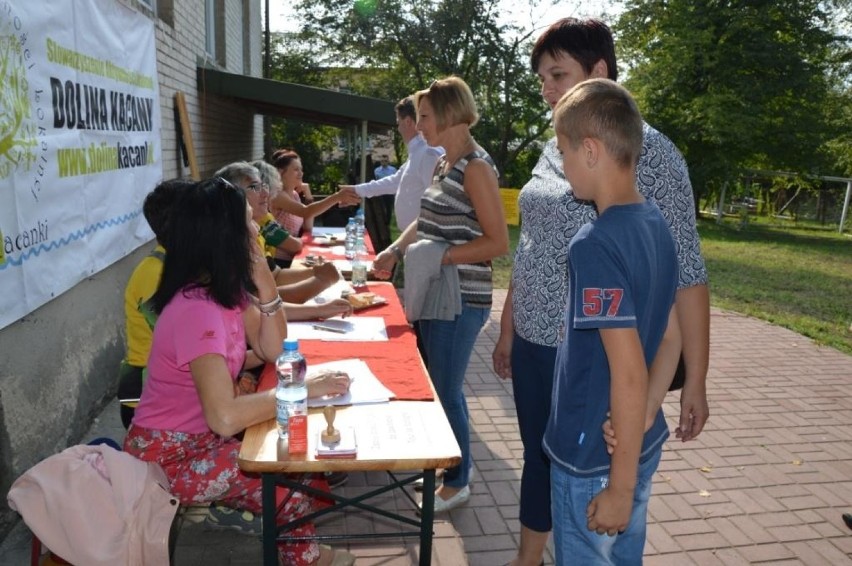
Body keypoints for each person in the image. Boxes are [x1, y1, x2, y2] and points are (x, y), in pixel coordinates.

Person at [491, 18, 711, 566]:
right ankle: (529, 556)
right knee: (544, 463)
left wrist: (690, 385)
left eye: (557, 74)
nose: (545, 87)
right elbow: (535, 241)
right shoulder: (557, 145)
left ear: (600, 73)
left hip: (601, 372)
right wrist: (510, 323)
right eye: (541, 76)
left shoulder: (646, 159)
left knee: (579, 493)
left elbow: (686, 277)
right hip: (547, 345)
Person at [123, 177, 354, 566]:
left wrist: (264, 279)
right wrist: (306, 390)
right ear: (225, 233)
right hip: (170, 455)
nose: (256, 228)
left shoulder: (222, 292)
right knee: (287, 485)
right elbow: (226, 416)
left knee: (301, 465)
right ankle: (306, 559)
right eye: (248, 220)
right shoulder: (197, 308)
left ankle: (302, 552)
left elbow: (271, 348)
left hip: (200, 440)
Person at [544, 77, 680, 565]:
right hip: (636, 442)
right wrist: (646, 410)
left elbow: (626, 369)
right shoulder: (656, 225)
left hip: (591, 458)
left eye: (563, 152)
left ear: (592, 150)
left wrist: (619, 489)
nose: (563, 166)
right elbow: (671, 336)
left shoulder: (594, 244)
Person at [372, 76, 509, 513]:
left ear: (450, 113)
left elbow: (498, 243)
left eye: (426, 116)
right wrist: (397, 250)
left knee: (447, 390)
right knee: (436, 387)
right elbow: (426, 222)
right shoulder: (443, 164)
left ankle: (459, 479)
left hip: (461, 297)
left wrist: (440, 256)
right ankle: (446, 466)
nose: (419, 124)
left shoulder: (477, 167)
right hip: (435, 290)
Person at [215, 161, 352, 317]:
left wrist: (317, 273)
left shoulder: (249, 231)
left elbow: (275, 276)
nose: (266, 194)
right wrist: (321, 282)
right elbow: (257, 303)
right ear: (231, 197)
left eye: (264, 186)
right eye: (254, 187)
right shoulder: (228, 243)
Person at [117, 179, 191, 429]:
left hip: (166, 393)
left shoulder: (178, 266)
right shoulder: (154, 274)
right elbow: (182, 342)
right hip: (146, 401)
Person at [340, 97, 443, 231]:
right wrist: (356, 190)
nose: (398, 128)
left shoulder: (428, 153)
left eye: (398, 123)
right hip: (414, 239)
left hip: (424, 239)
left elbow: (437, 202)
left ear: (408, 122)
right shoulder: (418, 153)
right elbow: (394, 182)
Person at [269, 149, 360, 265]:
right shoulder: (278, 195)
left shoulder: (295, 195)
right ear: (281, 172)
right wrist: (337, 197)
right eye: (296, 170)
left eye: (301, 169)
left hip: (296, 255)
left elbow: (308, 227)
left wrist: (308, 196)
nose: (301, 173)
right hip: (280, 260)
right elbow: (305, 212)